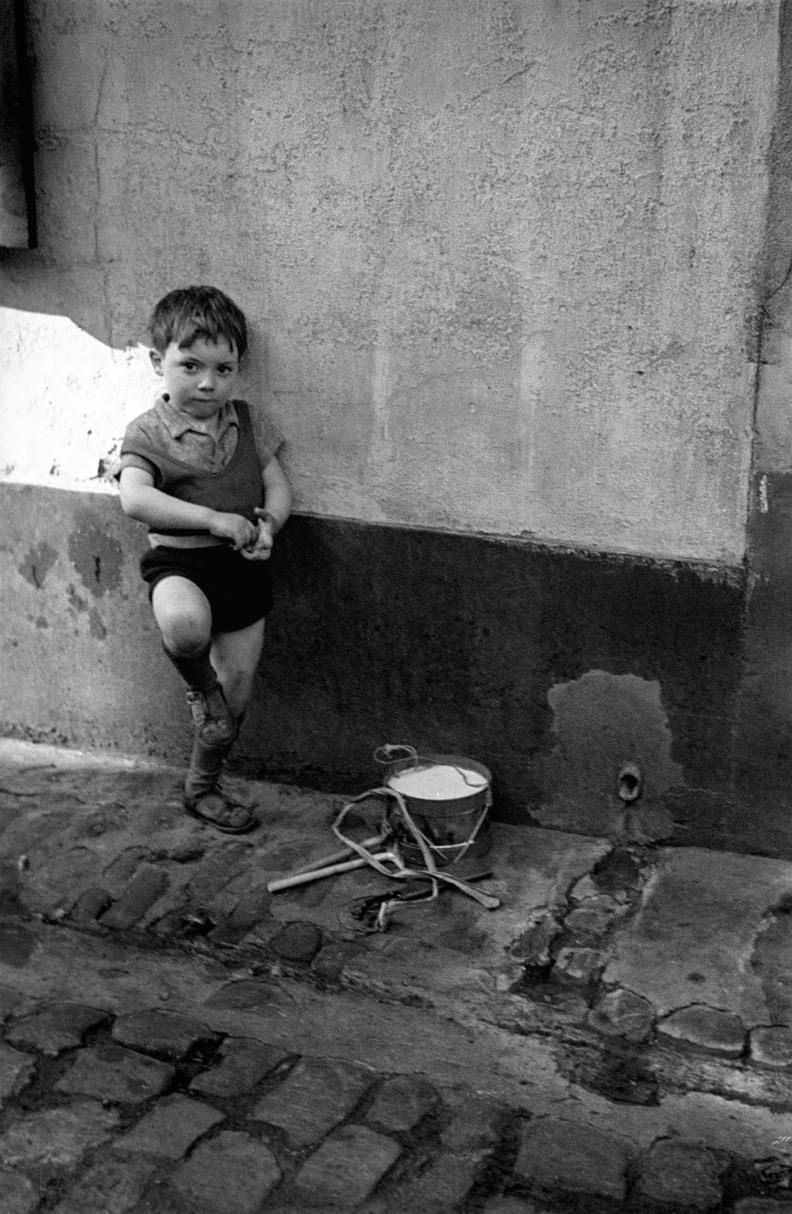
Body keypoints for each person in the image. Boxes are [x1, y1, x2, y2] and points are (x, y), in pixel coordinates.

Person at [117, 285, 292, 834]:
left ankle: (203, 786)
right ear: (157, 361)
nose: (208, 383)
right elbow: (134, 498)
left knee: (237, 686)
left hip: (243, 569)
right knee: (185, 627)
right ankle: (198, 686)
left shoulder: (247, 420)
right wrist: (213, 520)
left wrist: (271, 524)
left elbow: (277, 486)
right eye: (190, 365)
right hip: (181, 563)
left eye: (224, 368)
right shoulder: (147, 431)